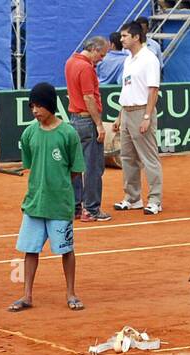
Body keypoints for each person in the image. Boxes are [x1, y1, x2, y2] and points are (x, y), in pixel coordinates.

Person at [8, 82, 84, 313]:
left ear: (50, 105)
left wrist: (59, 188)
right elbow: (30, 165)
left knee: (66, 249)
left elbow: (75, 169)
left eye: (39, 106)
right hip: (34, 204)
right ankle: (27, 295)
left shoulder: (68, 133)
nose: (35, 111)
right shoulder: (29, 133)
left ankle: (71, 293)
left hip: (59, 204)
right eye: (32, 106)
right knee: (29, 250)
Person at [114, 21, 163, 216]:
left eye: (125, 36)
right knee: (127, 158)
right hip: (126, 112)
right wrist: (120, 115)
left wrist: (147, 116)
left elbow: (154, 89)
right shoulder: (128, 59)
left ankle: (155, 200)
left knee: (149, 159)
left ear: (136, 37)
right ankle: (132, 198)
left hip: (142, 111)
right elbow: (126, 88)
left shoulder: (149, 59)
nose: (121, 39)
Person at [65, 36, 110, 223]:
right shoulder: (85, 68)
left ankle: (76, 207)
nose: (102, 58)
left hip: (74, 120)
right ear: (92, 49)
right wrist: (99, 124)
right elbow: (89, 98)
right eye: (101, 54)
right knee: (93, 167)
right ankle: (91, 209)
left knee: (76, 165)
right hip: (86, 121)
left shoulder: (70, 61)